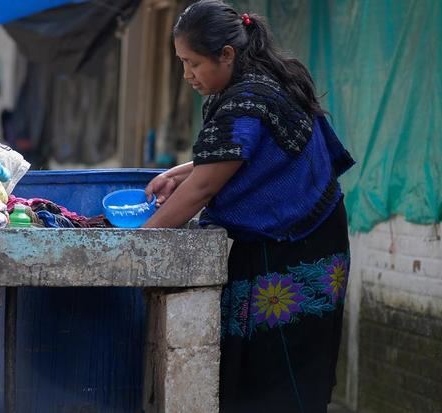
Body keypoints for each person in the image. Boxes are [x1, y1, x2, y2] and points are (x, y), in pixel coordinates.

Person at [143, 1, 355, 412]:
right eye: (182, 63)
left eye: (193, 64)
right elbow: (240, 155)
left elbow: (204, 188)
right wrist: (179, 172)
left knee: (280, 369)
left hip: (295, 245)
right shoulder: (261, 82)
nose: (187, 75)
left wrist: (136, 244)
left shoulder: (248, 100)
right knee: (262, 364)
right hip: (300, 235)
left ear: (227, 55)